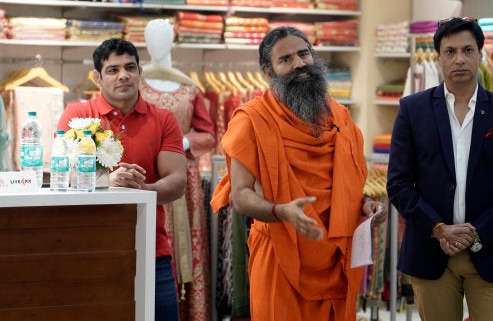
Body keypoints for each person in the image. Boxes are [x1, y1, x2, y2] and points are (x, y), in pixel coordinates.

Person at [210, 26, 387, 320]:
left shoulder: (341, 117)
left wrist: (366, 205)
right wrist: (281, 211)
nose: (299, 64)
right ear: (269, 72)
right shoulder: (252, 119)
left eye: (304, 54)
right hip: (281, 254)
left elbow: (347, 188)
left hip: (335, 259)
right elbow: (240, 197)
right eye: (286, 60)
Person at [386, 17, 493, 321]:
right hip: (431, 251)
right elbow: (399, 184)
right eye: (450, 52)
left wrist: (477, 233)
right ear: (438, 58)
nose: (459, 59)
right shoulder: (413, 110)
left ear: (481, 54)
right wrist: (438, 229)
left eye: (467, 50)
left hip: (489, 251)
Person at [57, 37, 187, 321]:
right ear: (97, 77)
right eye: (113, 70)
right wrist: (108, 181)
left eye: (130, 67)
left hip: (152, 250)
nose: (124, 75)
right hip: (90, 251)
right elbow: (62, 175)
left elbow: (177, 180)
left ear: (140, 72)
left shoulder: (164, 119)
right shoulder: (78, 115)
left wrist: (143, 189)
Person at [141, 18, 215, 319]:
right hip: (148, 174)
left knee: (185, 247)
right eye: (151, 37)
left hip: (183, 182)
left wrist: (182, 142)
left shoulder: (188, 87)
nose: (156, 44)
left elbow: (209, 135)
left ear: (173, 39)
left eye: (163, 37)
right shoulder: (136, 82)